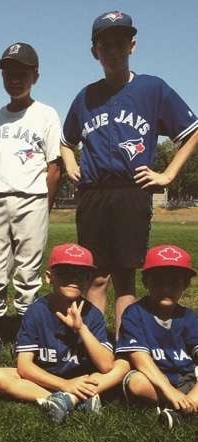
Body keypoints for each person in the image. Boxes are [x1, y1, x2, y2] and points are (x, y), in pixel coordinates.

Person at [60, 11, 198, 334]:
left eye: (119, 43)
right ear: (95, 52)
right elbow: (66, 142)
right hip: (93, 193)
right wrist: (69, 164)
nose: (113, 50)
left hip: (131, 190)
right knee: (95, 275)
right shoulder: (86, 97)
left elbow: (192, 131)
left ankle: (125, 350)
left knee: (124, 277)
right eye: (105, 45)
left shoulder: (152, 89)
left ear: (132, 46)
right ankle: (95, 348)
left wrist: (167, 175)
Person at [0, 243, 129, 423]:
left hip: (84, 377)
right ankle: (67, 399)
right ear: (49, 277)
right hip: (46, 378)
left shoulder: (92, 314)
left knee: (123, 365)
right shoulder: (36, 312)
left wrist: (81, 329)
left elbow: (106, 366)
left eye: (81, 274)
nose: (73, 279)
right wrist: (65, 385)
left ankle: (66, 400)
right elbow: (24, 366)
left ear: (89, 280)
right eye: (64, 273)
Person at [0, 42, 62, 324]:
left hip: (33, 199)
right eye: (8, 74)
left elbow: (54, 167)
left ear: (35, 76)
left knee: (28, 271)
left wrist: (44, 205)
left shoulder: (46, 114)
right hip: (1, 199)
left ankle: (26, 328)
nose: (14, 80)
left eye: (22, 74)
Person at [117, 245, 197, 429]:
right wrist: (169, 390)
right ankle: (184, 407)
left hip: (186, 378)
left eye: (174, 282)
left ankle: (181, 409)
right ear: (145, 282)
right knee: (136, 383)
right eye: (158, 282)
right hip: (153, 380)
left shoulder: (188, 316)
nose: (166, 288)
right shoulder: (135, 313)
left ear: (185, 285)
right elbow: (139, 358)